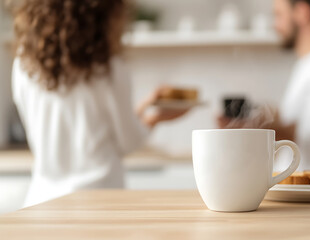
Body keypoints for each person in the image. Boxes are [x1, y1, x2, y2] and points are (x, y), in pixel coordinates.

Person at [12, 0, 188, 207]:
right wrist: (155, 118)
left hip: (42, 203)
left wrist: (146, 104)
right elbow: (128, 141)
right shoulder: (109, 68)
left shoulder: (23, 66)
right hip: (98, 201)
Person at [218, 0, 310, 172]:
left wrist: (257, 128)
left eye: (279, 15)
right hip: (295, 189)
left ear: (302, 12)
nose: (275, 25)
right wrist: (264, 115)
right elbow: (297, 120)